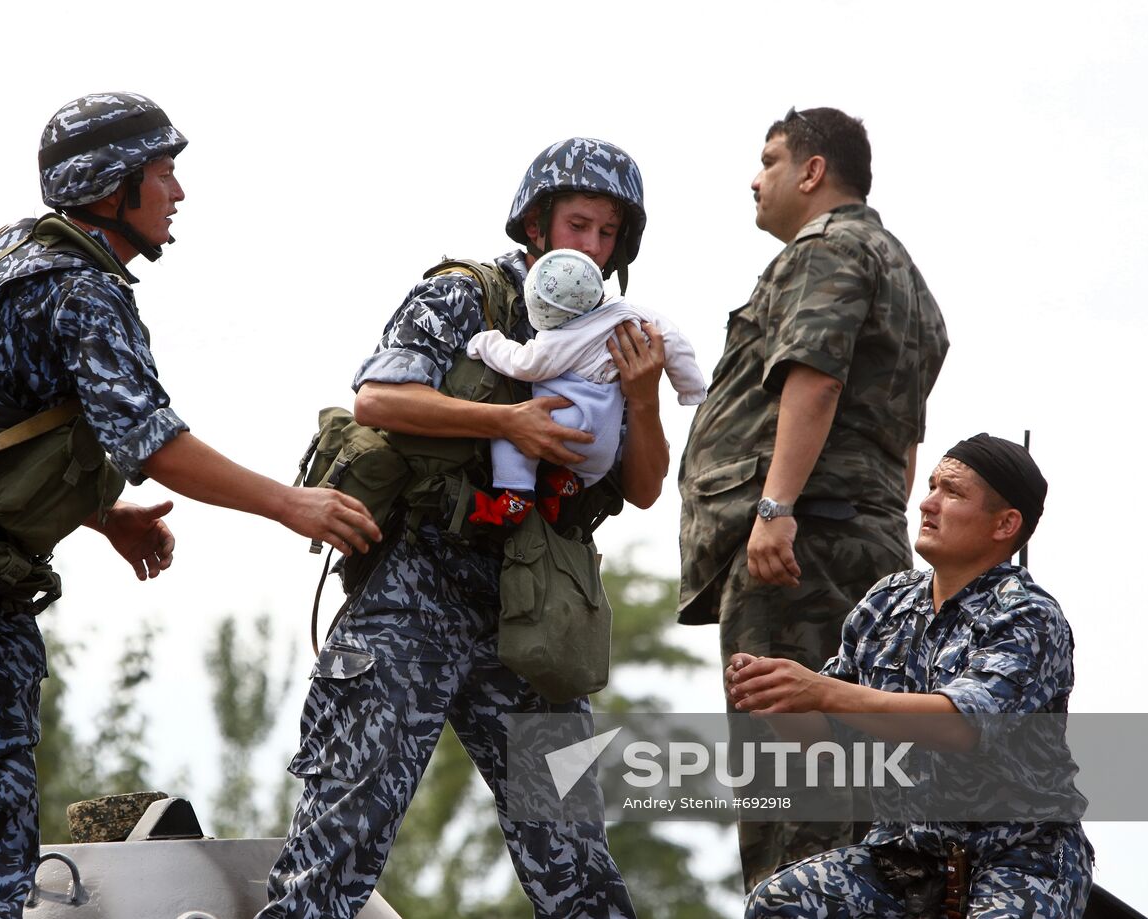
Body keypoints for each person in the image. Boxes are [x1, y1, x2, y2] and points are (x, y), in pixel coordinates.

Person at [0, 92, 379, 919]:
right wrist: (290, 504)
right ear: (111, 185)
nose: (178, 193)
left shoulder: (26, 251)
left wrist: (103, 514)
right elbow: (156, 444)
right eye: (164, 173)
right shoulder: (75, 290)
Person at [256, 138, 669, 919]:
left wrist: (642, 397)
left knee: (580, 864)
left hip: (530, 610)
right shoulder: (467, 296)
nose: (593, 246)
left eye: (609, 234)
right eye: (579, 224)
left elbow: (644, 488)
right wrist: (508, 419)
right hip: (418, 586)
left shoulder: (619, 331)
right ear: (536, 224)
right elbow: (380, 397)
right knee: (338, 848)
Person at [677, 106, 950, 888]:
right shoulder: (908, 280)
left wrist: (775, 508)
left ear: (812, 171)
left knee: (792, 796)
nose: (755, 178)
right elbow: (903, 443)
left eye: (770, 159)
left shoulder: (827, 250)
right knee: (857, 787)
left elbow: (817, 374)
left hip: (798, 549)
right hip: (865, 543)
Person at [730, 434, 1093, 918]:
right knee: (780, 902)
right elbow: (830, 741)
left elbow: (959, 725)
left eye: (953, 493)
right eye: (931, 487)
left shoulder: (1026, 616)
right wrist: (776, 699)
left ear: (1005, 524)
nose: (927, 503)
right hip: (906, 860)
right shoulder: (888, 602)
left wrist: (821, 690)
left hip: (1018, 858)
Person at [465, 247, 706, 525]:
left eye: (606, 233)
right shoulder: (632, 313)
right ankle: (566, 482)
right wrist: (691, 389)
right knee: (586, 466)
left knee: (509, 431)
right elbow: (674, 342)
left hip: (566, 425)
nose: (593, 244)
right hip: (603, 446)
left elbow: (524, 363)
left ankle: (516, 494)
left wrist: (486, 342)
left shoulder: (561, 338)